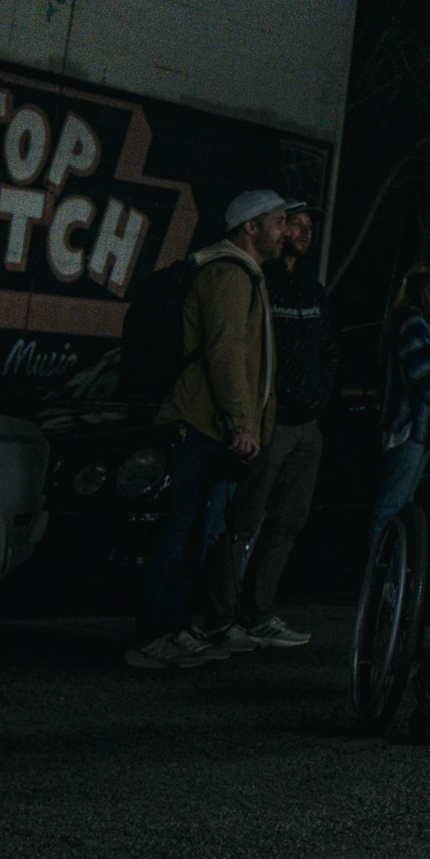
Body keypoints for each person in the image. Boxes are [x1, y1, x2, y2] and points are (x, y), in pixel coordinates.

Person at [122, 188, 293, 670]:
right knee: (179, 534)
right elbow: (226, 352)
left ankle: (176, 630)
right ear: (250, 227)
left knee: (194, 533)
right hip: (199, 424)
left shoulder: (244, 273)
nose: (285, 232)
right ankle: (151, 638)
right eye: (278, 222)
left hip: (208, 425)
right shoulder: (227, 273)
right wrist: (242, 423)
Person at [215, 200, 327, 648]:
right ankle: (222, 614)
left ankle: (258, 612)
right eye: (292, 224)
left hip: (307, 424)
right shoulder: (261, 281)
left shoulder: (313, 290)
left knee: (287, 523)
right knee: (244, 519)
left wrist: (319, 396)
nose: (301, 233)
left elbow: (328, 349)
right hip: (270, 423)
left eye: (307, 226)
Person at [367, 264, 430, 537]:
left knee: (402, 504)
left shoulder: (416, 322)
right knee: (392, 504)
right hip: (409, 425)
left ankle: (392, 558)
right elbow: (423, 376)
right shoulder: (413, 323)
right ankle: (377, 558)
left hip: (421, 428)